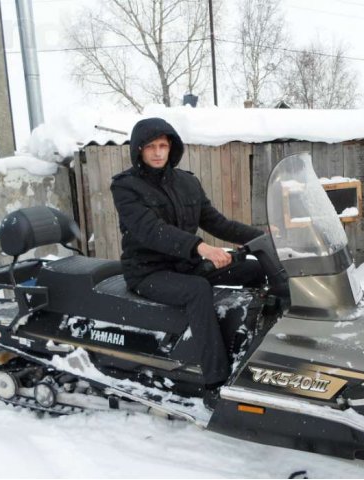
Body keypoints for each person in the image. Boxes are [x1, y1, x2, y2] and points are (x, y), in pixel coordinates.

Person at [110, 117, 264, 402]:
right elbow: (151, 231)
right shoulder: (126, 187)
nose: (157, 152)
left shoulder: (187, 183)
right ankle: (216, 380)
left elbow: (217, 222)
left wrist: (264, 237)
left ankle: (264, 345)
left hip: (186, 265)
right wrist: (202, 249)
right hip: (148, 272)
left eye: (163, 146)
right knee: (196, 290)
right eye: (150, 147)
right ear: (139, 150)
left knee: (254, 270)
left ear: (171, 148)